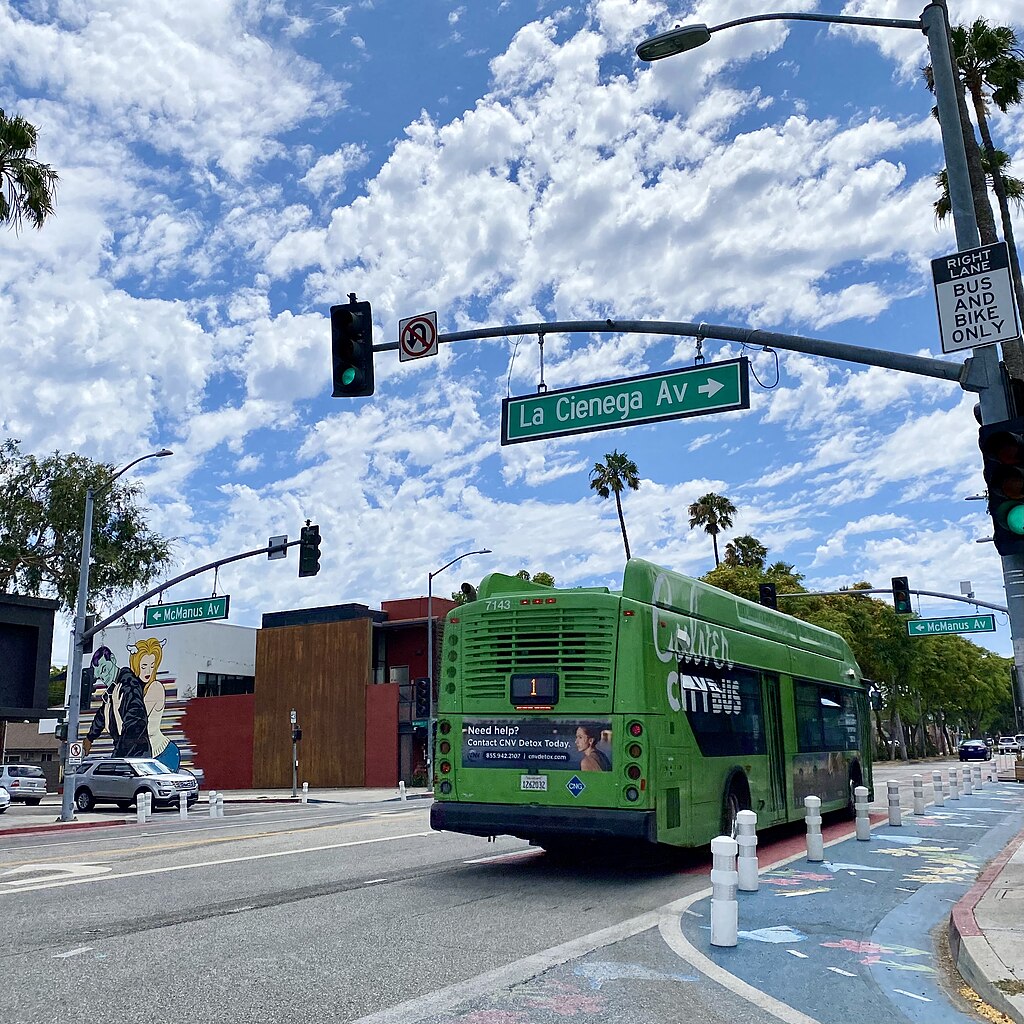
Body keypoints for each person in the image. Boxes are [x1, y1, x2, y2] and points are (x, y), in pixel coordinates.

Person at [83, 647, 151, 758]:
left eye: (104, 670)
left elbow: (134, 724)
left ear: (113, 659)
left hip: (136, 754)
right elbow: (102, 715)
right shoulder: (113, 691)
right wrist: (90, 737)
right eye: (100, 677)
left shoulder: (129, 685)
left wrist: (117, 755)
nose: (104, 678)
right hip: (128, 752)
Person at [128, 637, 180, 771]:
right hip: (142, 755)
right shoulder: (135, 692)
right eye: (144, 666)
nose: (148, 671)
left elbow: (137, 722)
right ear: (135, 665)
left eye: (152, 666)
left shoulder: (155, 688)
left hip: (162, 753)